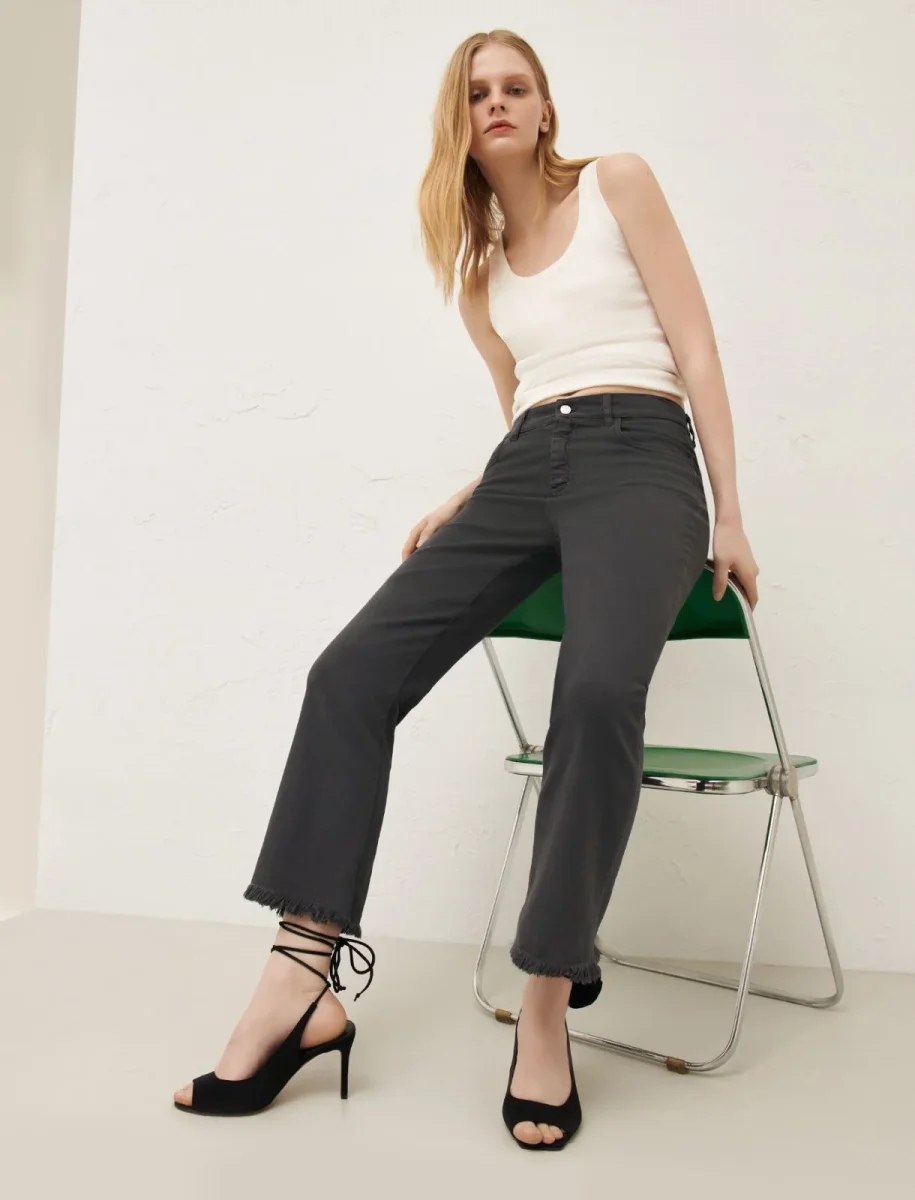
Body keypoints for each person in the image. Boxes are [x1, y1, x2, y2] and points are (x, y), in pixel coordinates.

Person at [173, 28, 760, 1150]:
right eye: (478, 90)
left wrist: (728, 509)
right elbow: (526, 408)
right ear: (461, 118)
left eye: (516, 86)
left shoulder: (618, 184)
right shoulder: (478, 274)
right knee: (350, 674)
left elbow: (694, 347)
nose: (498, 102)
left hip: (644, 454)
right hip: (529, 464)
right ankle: (300, 978)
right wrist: (476, 494)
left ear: (544, 108)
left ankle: (547, 1000)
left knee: (595, 693)